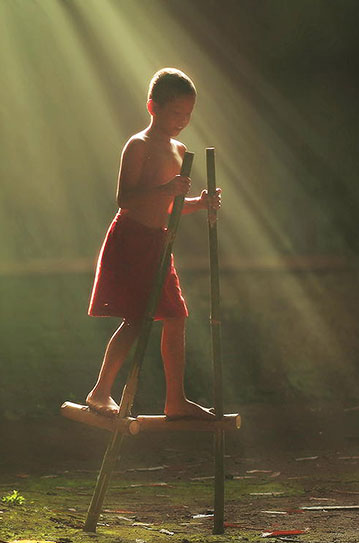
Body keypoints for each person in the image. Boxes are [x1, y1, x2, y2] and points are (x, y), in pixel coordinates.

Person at [85, 68, 221, 419]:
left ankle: (175, 400)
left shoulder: (179, 149)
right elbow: (125, 199)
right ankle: (99, 393)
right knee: (136, 319)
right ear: (152, 107)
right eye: (176, 113)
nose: (182, 121)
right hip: (131, 239)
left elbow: (171, 205)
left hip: (160, 241)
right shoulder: (139, 145)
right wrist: (166, 190)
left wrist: (200, 203)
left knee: (176, 317)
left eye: (188, 114)